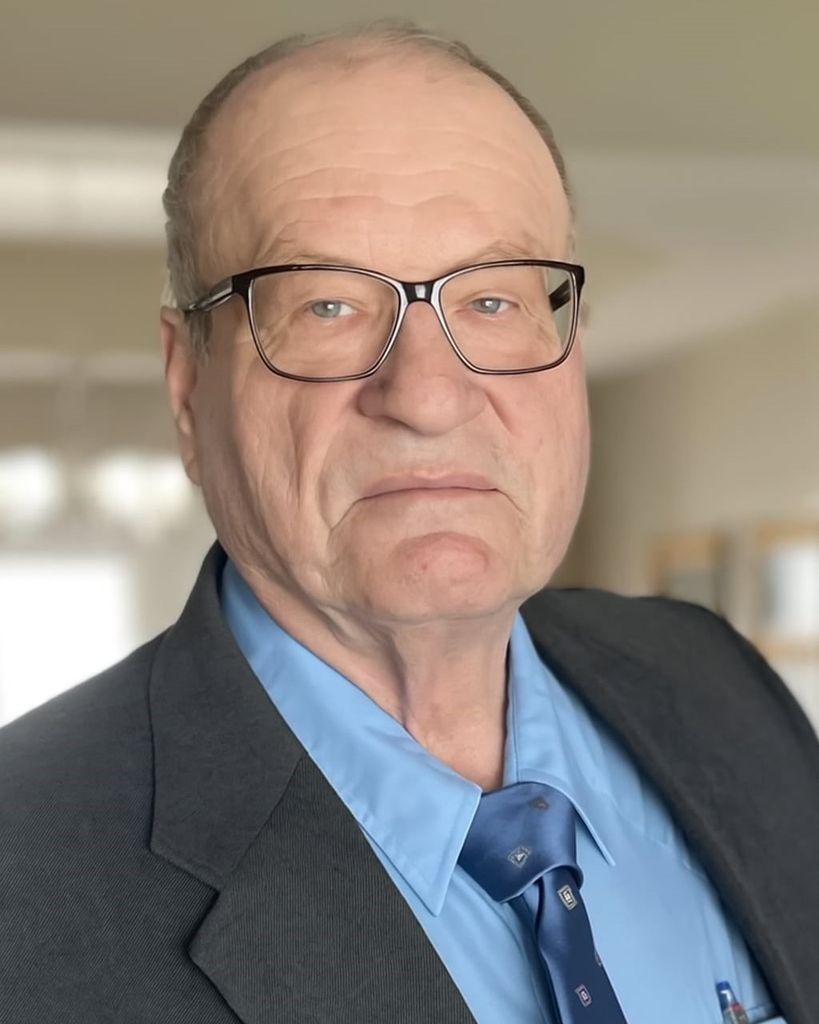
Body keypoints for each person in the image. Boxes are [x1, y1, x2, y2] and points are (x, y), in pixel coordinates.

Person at [1, 20, 817, 1024]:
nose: (428, 396)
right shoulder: (23, 884)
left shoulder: (715, 682)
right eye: (326, 306)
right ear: (187, 385)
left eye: (494, 300)